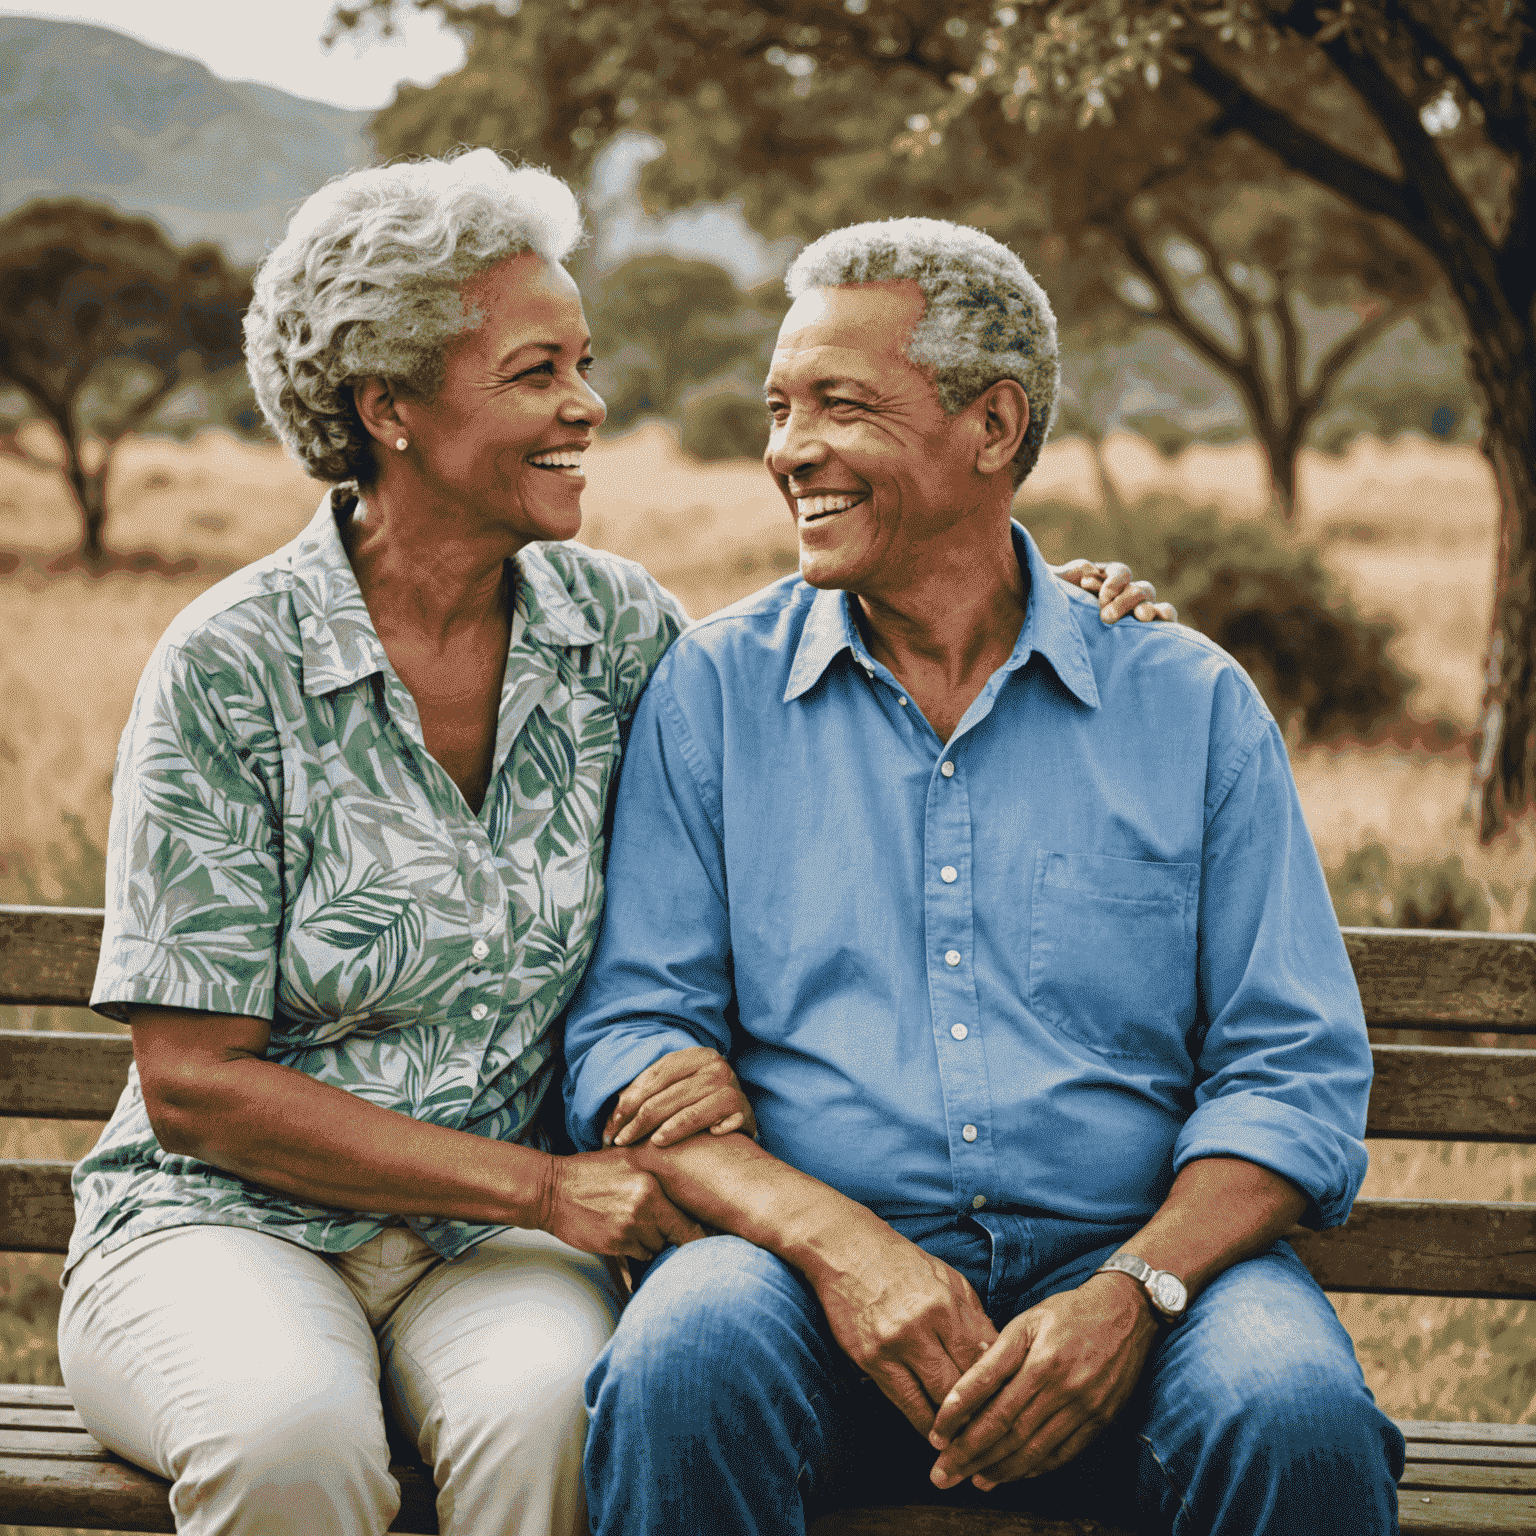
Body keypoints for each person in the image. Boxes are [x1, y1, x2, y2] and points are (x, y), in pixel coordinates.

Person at [57, 156, 1165, 1536]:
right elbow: (196, 1089)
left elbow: (831, 679)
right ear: (385, 405)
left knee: (559, 1425)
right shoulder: (232, 666)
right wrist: (547, 1183)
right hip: (226, 1224)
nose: (587, 406)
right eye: (535, 373)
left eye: (582, 363)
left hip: (497, 1255)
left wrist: (1062, 599)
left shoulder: (621, 635)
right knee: (295, 1447)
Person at [562, 217, 1407, 1536]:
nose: (788, 452)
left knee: (1293, 1420)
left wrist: (1133, 1295)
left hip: (1141, 1269)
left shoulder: (1185, 705)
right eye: (779, 410)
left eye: (840, 405)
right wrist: (838, 1245)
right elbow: (629, 1031)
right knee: (683, 1363)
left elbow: (1291, 1072)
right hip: (804, 1277)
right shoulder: (714, 694)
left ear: (993, 427)